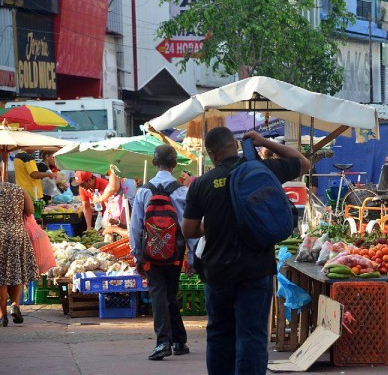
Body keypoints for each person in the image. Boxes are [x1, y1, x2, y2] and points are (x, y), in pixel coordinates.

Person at [182, 128, 309, 375]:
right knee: (252, 336)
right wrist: (263, 142)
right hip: (256, 269)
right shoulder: (261, 170)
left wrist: (213, 222)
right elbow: (303, 162)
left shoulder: (203, 184)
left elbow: (188, 230)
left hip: (218, 271)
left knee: (219, 334)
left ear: (211, 153)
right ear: (235, 146)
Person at [129, 145, 190, 361]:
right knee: (171, 293)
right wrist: (191, 257)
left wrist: (137, 255)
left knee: (158, 294)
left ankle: (163, 341)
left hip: (151, 253)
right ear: (174, 164)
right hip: (175, 253)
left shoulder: (143, 191)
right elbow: (188, 228)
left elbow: (135, 226)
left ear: (155, 163)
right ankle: (179, 340)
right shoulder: (182, 191)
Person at [0, 182, 40, 327]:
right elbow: (30, 210)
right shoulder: (18, 189)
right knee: (17, 271)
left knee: (1, 277)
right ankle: (15, 304)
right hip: (17, 233)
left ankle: (2, 315)